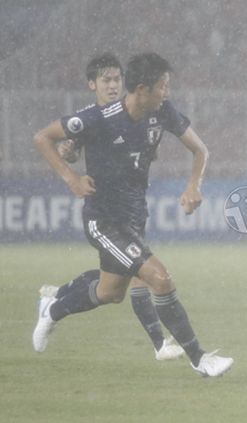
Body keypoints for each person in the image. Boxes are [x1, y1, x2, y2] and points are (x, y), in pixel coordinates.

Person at [32, 52, 233, 377]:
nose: (167, 93)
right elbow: (43, 137)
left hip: (135, 216)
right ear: (142, 89)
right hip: (103, 220)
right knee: (159, 277)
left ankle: (53, 309)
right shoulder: (98, 118)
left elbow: (200, 150)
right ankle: (200, 359)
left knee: (110, 292)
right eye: (163, 87)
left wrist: (194, 185)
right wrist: (71, 179)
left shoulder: (162, 112)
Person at [42, 52, 184, 362]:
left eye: (117, 79)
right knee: (138, 273)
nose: (113, 85)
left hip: (134, 207)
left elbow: (150, 150)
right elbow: (58, 144)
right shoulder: (92, 117)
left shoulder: (139, 113)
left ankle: (60, 295)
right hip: (106, 214)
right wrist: (71, 167)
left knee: (113, 287)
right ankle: (160, 344)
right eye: (106, 80)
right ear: (91, 84)